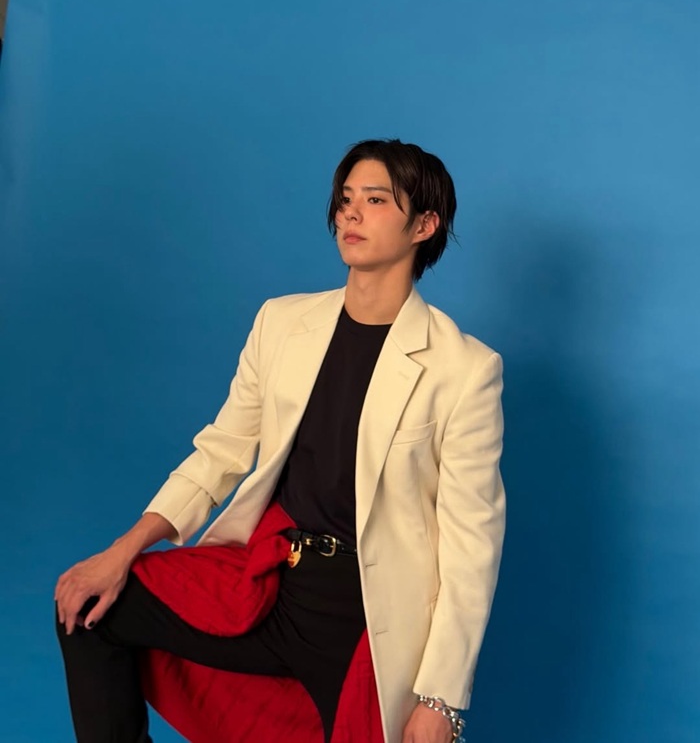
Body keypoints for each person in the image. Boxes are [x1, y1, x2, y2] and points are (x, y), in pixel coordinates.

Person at [55, 138, 505, 743]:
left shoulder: (464, 369)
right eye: (345, 198)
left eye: (375, 200)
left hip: (366, 617)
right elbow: (221, 451)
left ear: (425, 225)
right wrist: (123, 550)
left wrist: (440, 700)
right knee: (89, 607)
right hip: (271, 581)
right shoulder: (283, 323)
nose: (350, 212)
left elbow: (471, 546)